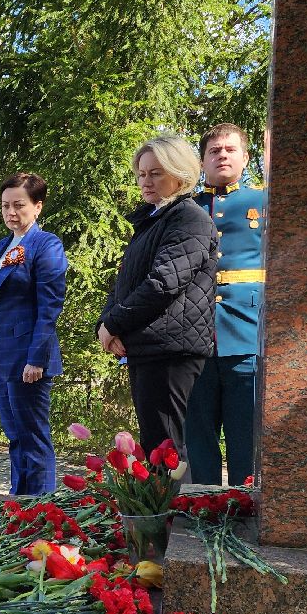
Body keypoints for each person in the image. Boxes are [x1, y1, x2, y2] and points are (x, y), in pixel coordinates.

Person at [97, 136, 217, 454]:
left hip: (170, 350)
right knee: (157, 446)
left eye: (156, 173)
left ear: (178, 174)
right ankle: (159, 504)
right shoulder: (152, 220)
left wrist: (114, 323)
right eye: (141, 173)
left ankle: (169, 505)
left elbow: (163, 283)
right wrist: (107, 324)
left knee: (166, 448)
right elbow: (125, 282)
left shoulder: (189, 218)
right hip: (150, 346)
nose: (145, 181)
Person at [0, 172, 68, 495]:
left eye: (19, 205)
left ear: (37, 207)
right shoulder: (4, 245)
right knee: (15, 434)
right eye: (5, 206)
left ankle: (41, 507)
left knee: (33, 435)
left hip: (29, 359)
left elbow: (49, 307)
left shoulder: (46, 245)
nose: (11, 213)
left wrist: (37, 359)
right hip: (2, 358)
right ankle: (20, 501)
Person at [186, 124, 266, 487]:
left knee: (244, 434)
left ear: (245, 158)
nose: (222, 155)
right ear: (203, 161)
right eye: (214, 151)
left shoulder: (264, 203)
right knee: (198, 433)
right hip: (195, 337)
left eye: (230, 150)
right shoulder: (185, 208)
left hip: (246, 333)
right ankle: (204, 505)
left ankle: (244, 502)